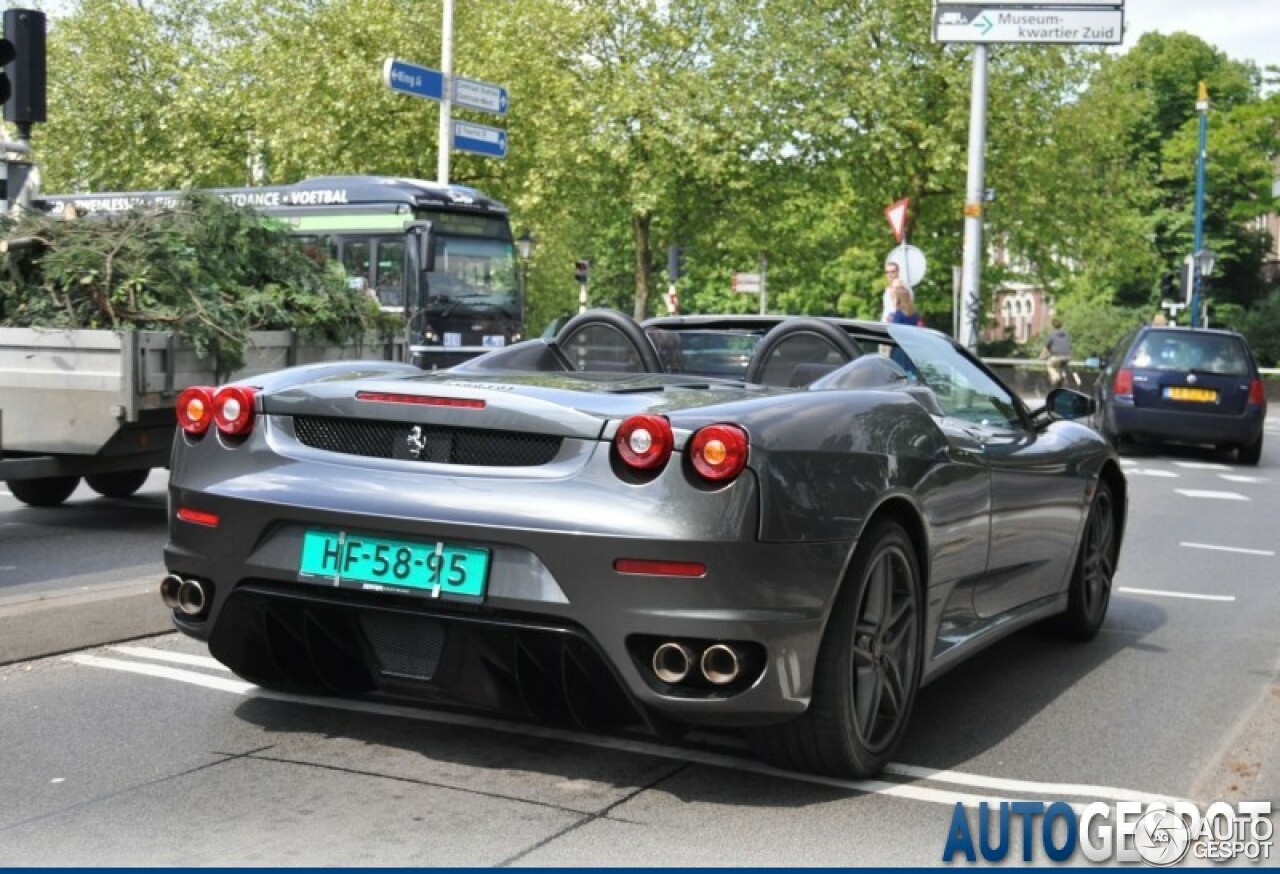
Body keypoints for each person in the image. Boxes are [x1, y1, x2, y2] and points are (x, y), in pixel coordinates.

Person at [888, 284, 923, 375]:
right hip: (912, 349)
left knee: (899, 373)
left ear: (898, 298)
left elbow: (893, 332)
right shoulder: (916, 314)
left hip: (899, 349)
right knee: (910, 373)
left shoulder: (898, 314)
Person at [1043, 318, 1074, 388]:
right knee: (1061, 367)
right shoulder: (1066, 334)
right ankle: (1063, 376)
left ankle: (1056, 377)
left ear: (1052, 326)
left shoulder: (1052, 334)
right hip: (1067, 356)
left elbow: (1046, 347)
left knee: (1049, 365)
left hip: (1057, 356)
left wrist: (1041, 356)